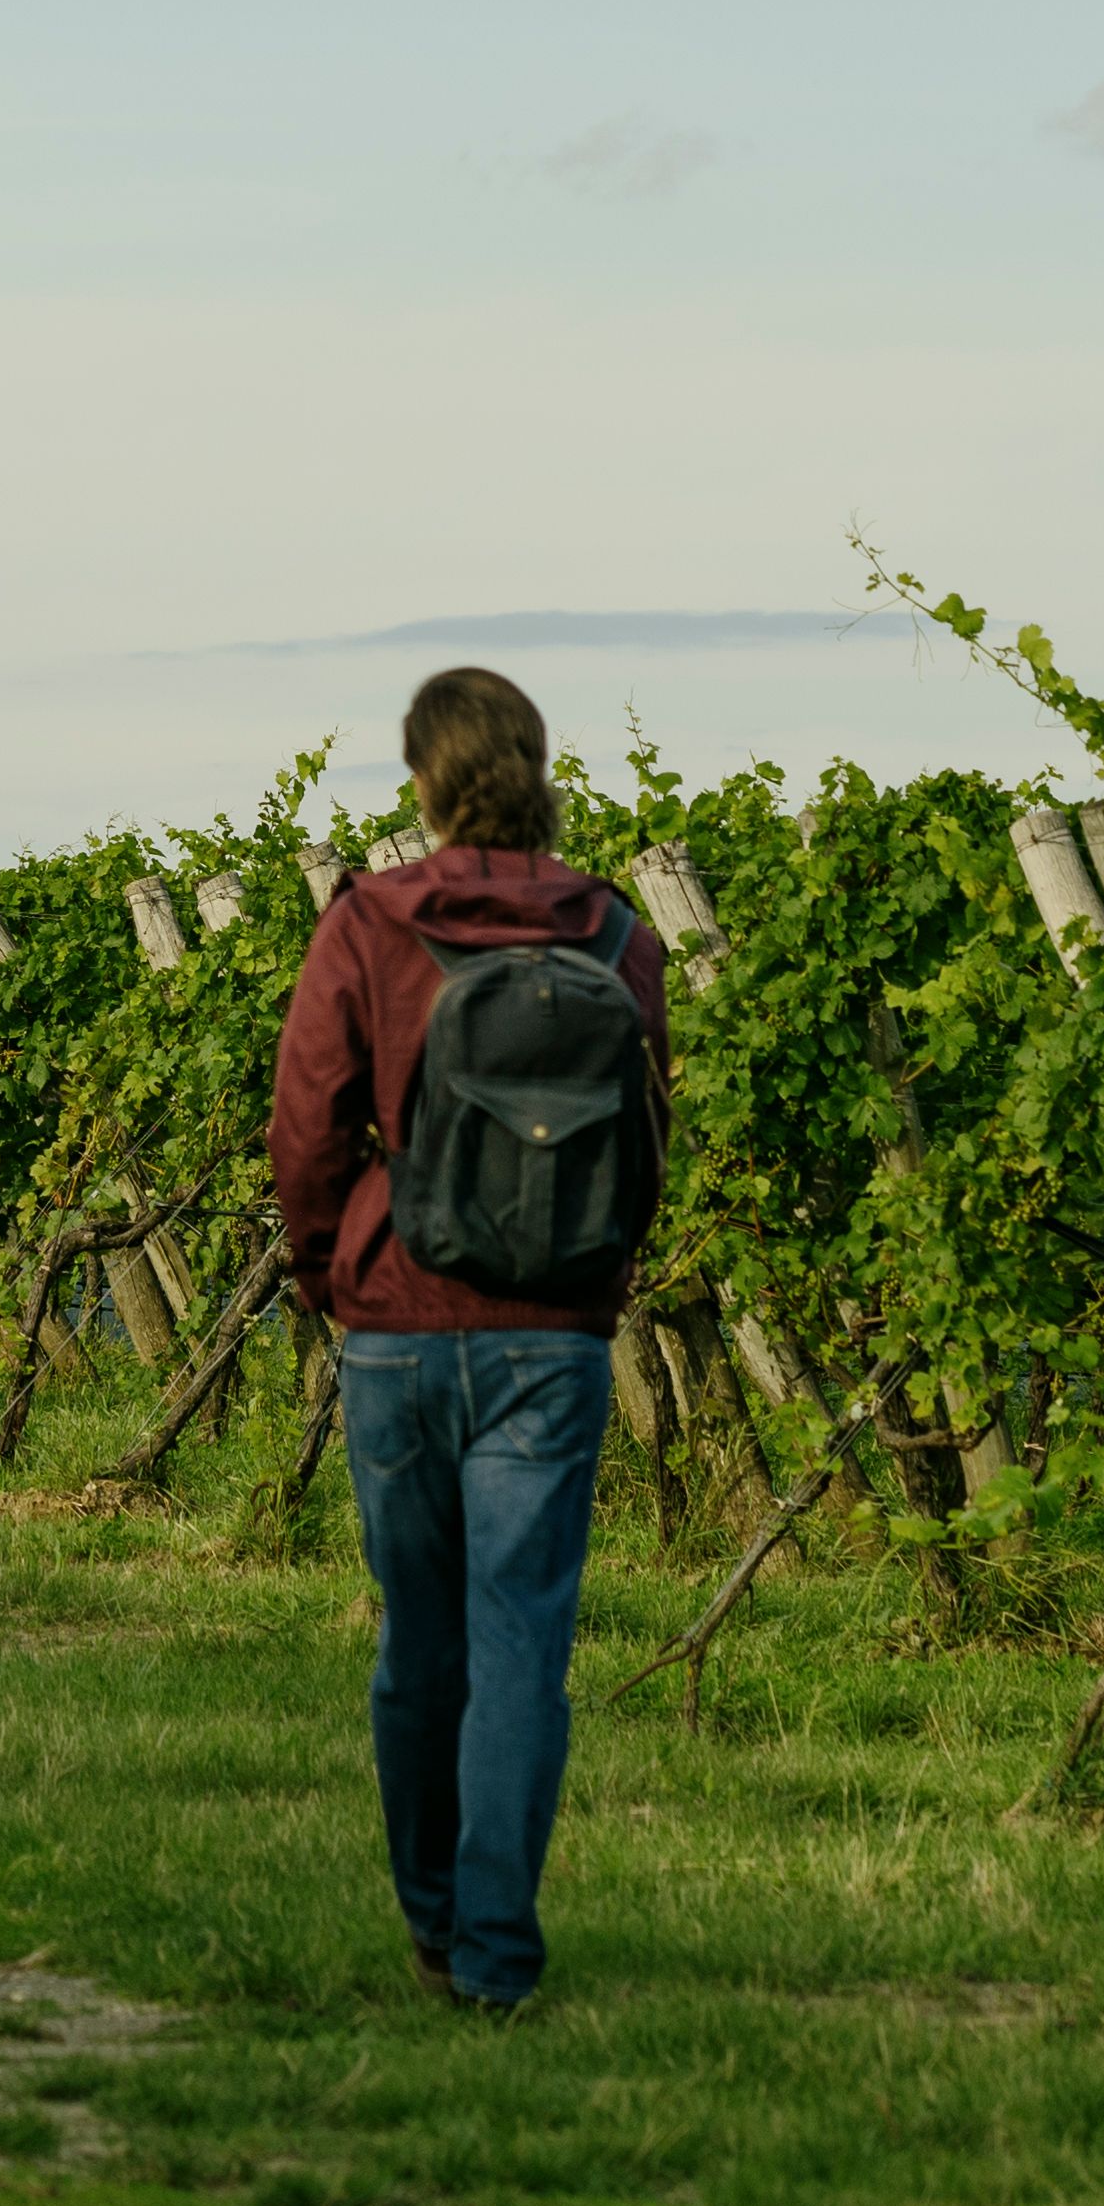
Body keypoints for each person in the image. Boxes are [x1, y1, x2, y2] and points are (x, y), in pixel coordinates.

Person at [263, 661, 669, 2016]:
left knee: (416, 1643)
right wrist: (595, 1285)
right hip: (552, 1332)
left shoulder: (371, 925)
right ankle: (496, 1958)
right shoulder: (616, 933)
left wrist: (333, 1276)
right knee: (521, 1650)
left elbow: (310, 1123)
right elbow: (649, 1132)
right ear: (539, 770)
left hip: (400, 1322)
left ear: (424, 784)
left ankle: (432, 1921)